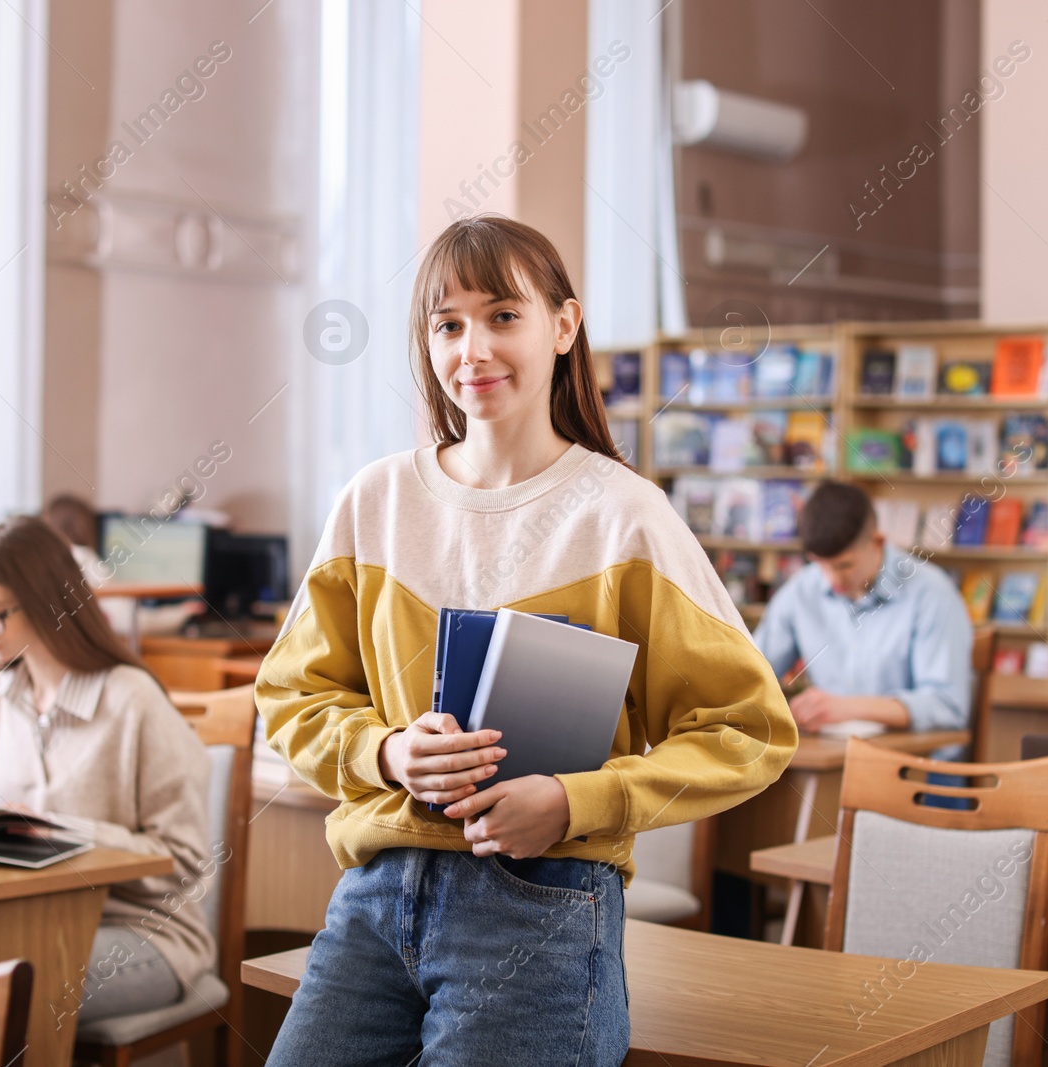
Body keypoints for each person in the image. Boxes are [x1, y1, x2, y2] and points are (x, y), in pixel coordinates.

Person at [256, 215, 797, 1066]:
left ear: (564, 326)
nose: (474, 347)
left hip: (545, 901)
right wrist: (388, 751)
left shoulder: (625, 517)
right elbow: (291, 696)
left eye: (503, 315)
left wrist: (576, 801)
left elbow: (749, 731)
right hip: (374, 893)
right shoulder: (375, 500)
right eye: (448, 323)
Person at [0, 515, 215, 1022]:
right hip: (27, 921)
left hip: (144, 934)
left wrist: (61, 834)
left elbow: (186, 860)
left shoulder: (133, 702)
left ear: (50, 605)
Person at [752, 480, 973, 738]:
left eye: (844, 566)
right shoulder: (801, 590)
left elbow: (947, 707)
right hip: (832, 758)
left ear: (877, 542)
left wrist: (849, 708)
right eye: (819, 564)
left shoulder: (932, 594)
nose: (831, 580)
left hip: (916, 769)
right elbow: (754, 674)